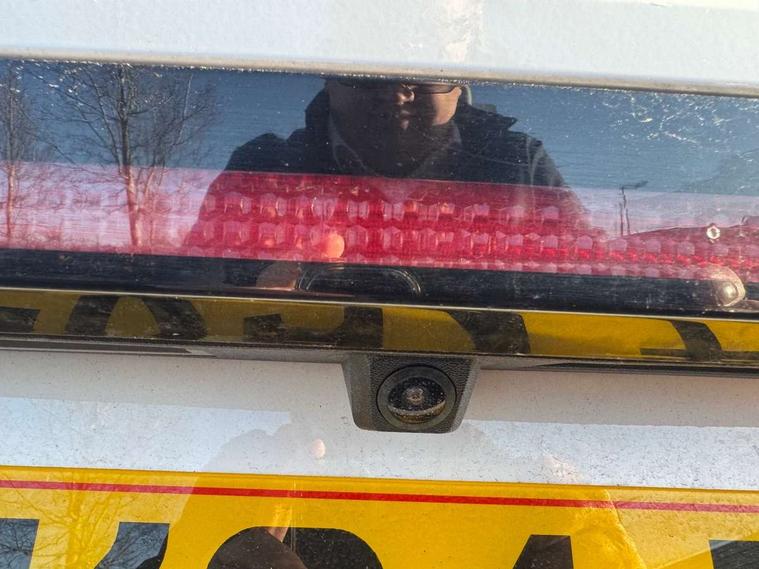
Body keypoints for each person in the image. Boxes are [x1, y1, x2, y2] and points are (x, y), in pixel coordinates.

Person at [223, 78, 565, 186]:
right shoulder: (259, 169)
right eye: (367, 73)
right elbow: (199, 286)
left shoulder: (522, 165)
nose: (396, 94)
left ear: (461, 82)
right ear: (328, 78)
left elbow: (582, 282)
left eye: (426, 72)